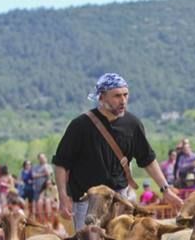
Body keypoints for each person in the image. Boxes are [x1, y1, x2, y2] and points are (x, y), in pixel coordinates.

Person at [53, 73, 182, 230]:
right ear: (101, 97)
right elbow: (61, 163)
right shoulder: (80, 125)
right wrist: (62, 196)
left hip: (119, 199)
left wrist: (165, 190)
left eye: (125, 95)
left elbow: (147, 159)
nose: (123, 101)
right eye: (117, 96)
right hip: (87, 201)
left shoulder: (132, 124)